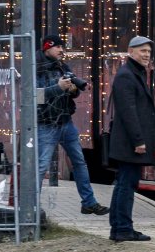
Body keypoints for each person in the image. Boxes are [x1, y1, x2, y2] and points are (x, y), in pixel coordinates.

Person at [35, 34, 108, 215]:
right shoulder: (36, 68)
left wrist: (73, 90)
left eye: (62, 47)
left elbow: (72, 94)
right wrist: (58, 87)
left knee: (79, 163)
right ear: (47, 48)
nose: (61, 50)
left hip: (65, 122)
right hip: (46, 124)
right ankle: (30, 205)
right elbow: (34, 97)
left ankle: (89, 202)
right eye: (57, 47)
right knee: (41, 165)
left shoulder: (62, 67)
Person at [108, 35, 155, 242]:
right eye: (142, 51)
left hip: (129, 143)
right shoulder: (126, 76)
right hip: (129, 143)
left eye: (148, 51)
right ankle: (122, 228)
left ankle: (121, 227)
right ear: (130, 52)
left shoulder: (133, 73)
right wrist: (139, 140)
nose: (146, 55)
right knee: (126, 185)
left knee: (125, 184)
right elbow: (128, 112)